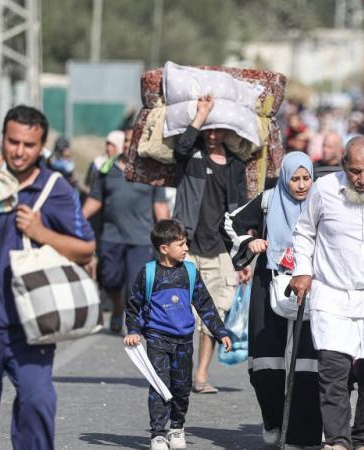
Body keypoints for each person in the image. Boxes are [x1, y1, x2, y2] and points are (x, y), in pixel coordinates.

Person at [0, 105, 95, 449]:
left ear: (41, 145)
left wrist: (42, 232)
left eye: (28, 145)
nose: (18, 151)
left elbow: (85, 247)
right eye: (12, 142)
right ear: (2, 138)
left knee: (37, 403)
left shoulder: (53, 187)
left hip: (30, 324)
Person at [289, 135, 364, 450]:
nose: (363, 179)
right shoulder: (324, 191)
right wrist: (302, 271)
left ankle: (363, 438)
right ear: (344, 165)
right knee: (333, 372)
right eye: (356, 171)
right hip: (333, 295)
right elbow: (304, 231)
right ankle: (338, 440)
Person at [224, 152, 322, 449]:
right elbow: (230, 224)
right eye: (295, 178)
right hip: (270, 285)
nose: (302, 185)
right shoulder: (268, 201)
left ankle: (302, 434)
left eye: (306, 178)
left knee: (308, 364)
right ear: (284, 178)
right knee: (267, 363)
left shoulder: (323, 201)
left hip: (312, 287)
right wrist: (249, 243)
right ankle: (273, 421)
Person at [124, 219, 233, 450]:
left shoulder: (190, 272)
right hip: (157, 339)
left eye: (185, 244)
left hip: (184, 340)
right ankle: (158, 434)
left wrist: (220, 331)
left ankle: (176, 427)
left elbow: (205, 304)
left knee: (182, 389)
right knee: (160, 386)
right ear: (164, 248)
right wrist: (133, 330)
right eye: (181, 244)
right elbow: (134, 305)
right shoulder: (149, 273)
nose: (186, 249)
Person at [173, 95, 248, 394]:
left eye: (219, 130)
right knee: (181, 315)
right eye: (210, 130)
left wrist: (243, 261)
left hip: (220, 250)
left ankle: (201, 375)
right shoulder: (191, 156)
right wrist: (202, 113)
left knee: (213, 316)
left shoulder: (235, 166)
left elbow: (242, 213)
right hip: (187, 245)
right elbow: (180, 146)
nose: (213, 135)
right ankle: (179, 369)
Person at [82, 130, 170, 333]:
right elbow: (95, 200)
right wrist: (76, 220)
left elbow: (159, 205)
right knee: (109, 279)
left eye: (135, 141)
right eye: (128, 140)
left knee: (134, 286)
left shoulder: (151, 172)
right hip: (111, 236)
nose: (131, 144)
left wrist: (168, 235)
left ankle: (133, 325)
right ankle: (117, 307)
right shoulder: (107, 169)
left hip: (140, 238)